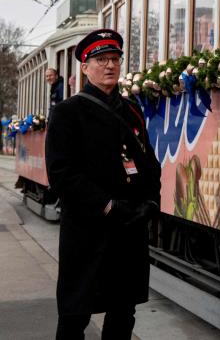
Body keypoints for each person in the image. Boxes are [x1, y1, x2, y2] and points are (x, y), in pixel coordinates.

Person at [45, 29, 161, 340]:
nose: (109, 65)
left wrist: (150, 201)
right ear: (84, 67)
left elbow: (149, 162)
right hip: (88, 230)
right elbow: (61, 173)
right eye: (100, 60)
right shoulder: (67, 112)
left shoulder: (132, 110)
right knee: (75, 313)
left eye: (114, 59)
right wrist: (107, 205)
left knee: (123, 311)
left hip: (129, 229)